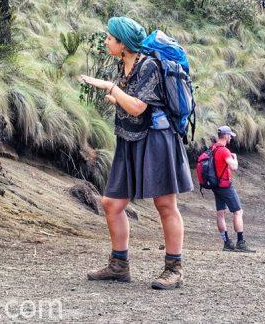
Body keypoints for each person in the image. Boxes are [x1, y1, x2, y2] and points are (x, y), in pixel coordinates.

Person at [80, 16, 194, 290]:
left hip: (157, 139)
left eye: (110, 37)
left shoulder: (149, 66)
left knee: (165, 205)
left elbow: (138, 108)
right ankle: (119, 265)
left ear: (123, 43)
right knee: (112, 203)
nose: (106, 41)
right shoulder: (125, 65)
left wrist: (110, 87)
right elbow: (130, 103)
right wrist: (116, 94)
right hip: (130, 139)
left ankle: (174, 269)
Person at [210, 126, 255, 253]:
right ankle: (240, 243)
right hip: (225, 186)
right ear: (225, 136)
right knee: (238, 212)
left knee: (220, 213)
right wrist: (234, 158)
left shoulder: (212, 148)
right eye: (230, 136)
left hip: (215, 185)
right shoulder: (224, 150)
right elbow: (234, 167)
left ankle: (226, 243)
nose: (230, 138)